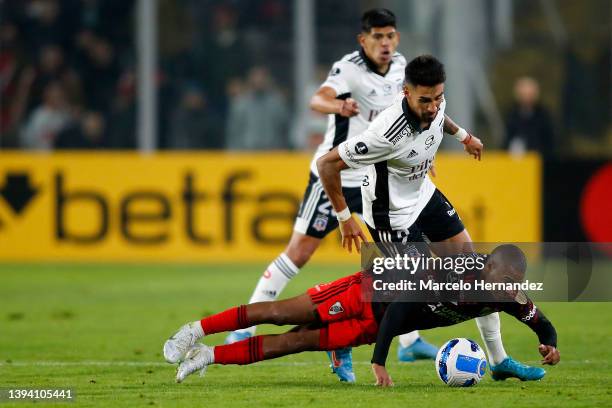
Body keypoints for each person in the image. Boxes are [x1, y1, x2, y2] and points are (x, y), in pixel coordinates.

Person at [225, 9, 538, 383]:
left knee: (472, 267)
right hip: (351, 176)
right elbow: (319, 109)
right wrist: (338, 109)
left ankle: (493, 358)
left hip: (408, 184)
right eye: (378, 36)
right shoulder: (351, 73)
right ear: (364, 40)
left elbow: (437, 116)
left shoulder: (415, 76)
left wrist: (456, 138)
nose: (386, 43)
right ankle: (267, 330)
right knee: (325, 261)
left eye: (391, 35)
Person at [316, 54, 546, 382]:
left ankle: (499, 361)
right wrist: (343, 217)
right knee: (418, 292)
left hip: (423, 194)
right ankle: (341, 340)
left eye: (438, 97)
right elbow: (327, 164)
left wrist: (463, 136)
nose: (433, 106)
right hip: (390, 215)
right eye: (425, 100)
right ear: (406, 93)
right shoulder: (385, 132)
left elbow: (441, 119)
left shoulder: (434, 102)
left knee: (475, 269)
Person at [163, 245, 560, 385]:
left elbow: (541, 322)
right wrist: (379, 362)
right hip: (367, 292)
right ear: (487, 266)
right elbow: (402, 308)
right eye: (504, 278)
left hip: (373, 324)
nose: (509, 287)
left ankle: (209, 355)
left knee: (294, 343)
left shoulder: (506, 294)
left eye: (515, 281)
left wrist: (550, 344)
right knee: (280, 313)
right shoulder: (453, 273)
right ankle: (194, 329)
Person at [503, 76, 555, 159]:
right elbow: (506, 141)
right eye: (524, 94)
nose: (526, 98)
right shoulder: (512, 115)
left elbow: (550, 143)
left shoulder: (543, 116)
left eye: (529, 94)